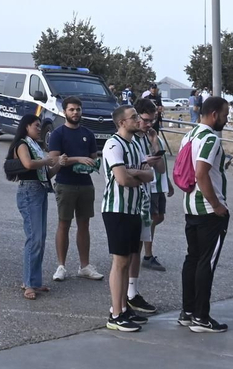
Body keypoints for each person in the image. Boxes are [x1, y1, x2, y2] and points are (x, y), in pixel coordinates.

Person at [99, 104, 163, 331]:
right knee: (120, 261)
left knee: (127, 260)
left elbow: (149, 174)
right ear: (121, 123)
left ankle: (124, 308)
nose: (138, 120)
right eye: (133, 117)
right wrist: (135, 175)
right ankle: (115, 315)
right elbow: (121, 179)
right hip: (117, 209)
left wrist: (133, 172)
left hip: (135, 209)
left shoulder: (135, 144)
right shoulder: (113, 144)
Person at [180, 96, 232, 334]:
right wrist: (216, 204)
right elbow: (201, 173)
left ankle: (188, 311)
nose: (226, 119)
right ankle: (201, 316)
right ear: (213, 115)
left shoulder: (188, 136)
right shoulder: (210, 138)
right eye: (224, 115)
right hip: (208, 209)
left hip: (190, 205)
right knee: (206, 262)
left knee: (192, 259)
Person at [46, 96, 104, 282]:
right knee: (64, 224)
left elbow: (93, 157)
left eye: (78, 109)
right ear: (64, 112)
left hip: (86, 184)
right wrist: (77, 159)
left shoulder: (88, 133)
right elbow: (54, 160)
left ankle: (84, 266)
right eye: (71, 109)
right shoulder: (58, 134)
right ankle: (61, 266)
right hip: (65, 183)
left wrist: (92, 163)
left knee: (84, 225)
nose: (75, 112)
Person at [10, 114, 64, 298]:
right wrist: (47, 160)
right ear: (26, 127)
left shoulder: (36, 146)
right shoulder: (23, 145)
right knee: (34, 238)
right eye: (36, 125)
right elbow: (28, 164)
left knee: (40, 237)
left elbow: (46, 173)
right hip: (29, 191)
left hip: (40, 189)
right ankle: (28, 283)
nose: (39, 128)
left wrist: (58, 165)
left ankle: (35, 281)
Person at [135, 99, 171, 272]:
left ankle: (144, 252)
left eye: (152, 120)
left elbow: (162, 167)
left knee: (158, 217)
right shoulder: (132, 139)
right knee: (149, 219)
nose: (149, 124)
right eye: (146, 120)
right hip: (144, 186)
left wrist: (155, 144)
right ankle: (146, 254)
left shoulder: (152, 137)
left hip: (157, 184)